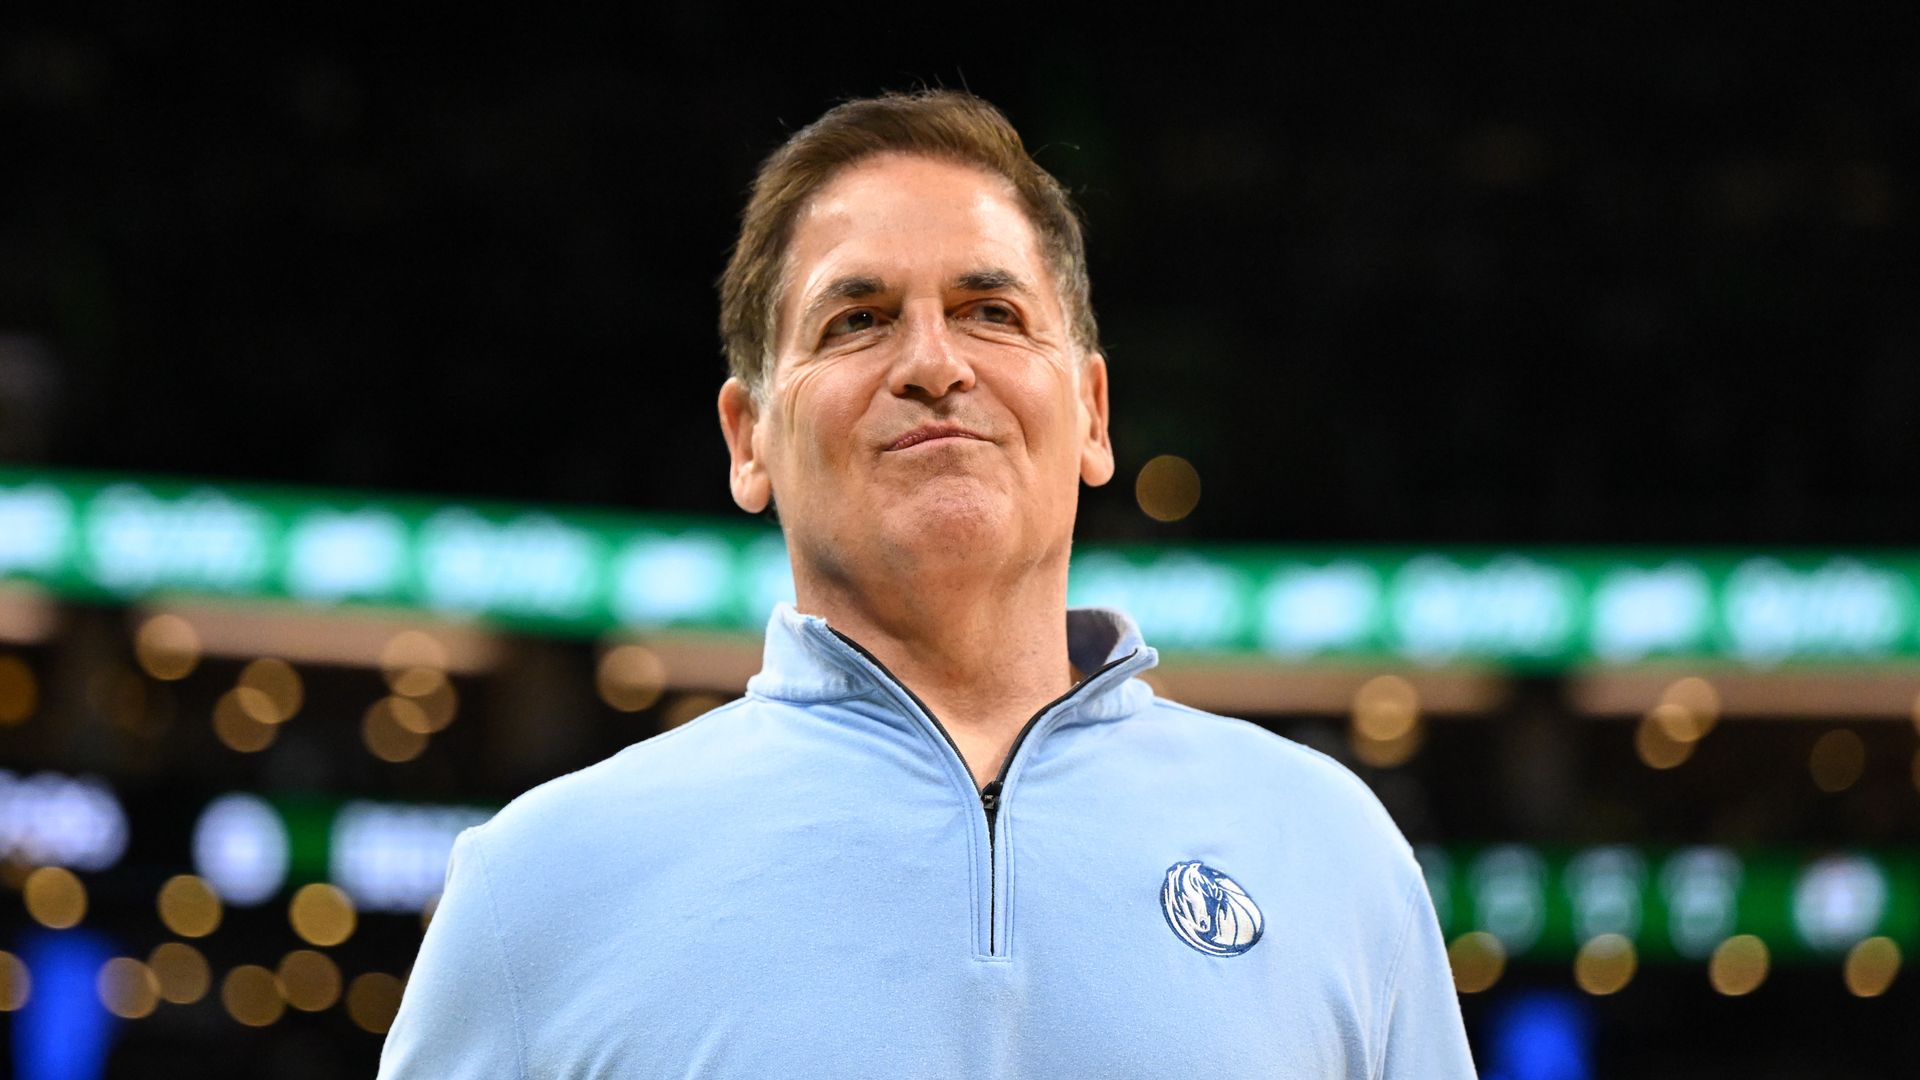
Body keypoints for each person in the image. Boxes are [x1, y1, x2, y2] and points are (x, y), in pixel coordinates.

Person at [378, 89, 1477, 1079]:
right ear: (748, 436)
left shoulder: (1329, 849)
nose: (934, 363)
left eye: (991, 311)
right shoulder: (534, 893)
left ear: (1092, 414)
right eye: (857, 320)